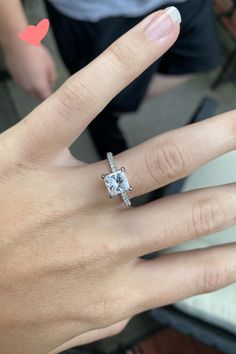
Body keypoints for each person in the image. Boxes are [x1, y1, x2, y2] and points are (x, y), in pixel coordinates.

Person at [0, 8, 236, 354]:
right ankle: (110, 121)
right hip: (89, 14)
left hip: (179, 6)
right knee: (102, 104)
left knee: (189, 61)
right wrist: (17, 39)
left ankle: (117, 111)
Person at [0, 0, 220, 159]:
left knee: (200, 58)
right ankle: (104, 119)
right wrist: (19, 42)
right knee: (103, 92)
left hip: (186, 4)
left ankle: (109, 111)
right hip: (93, 12)